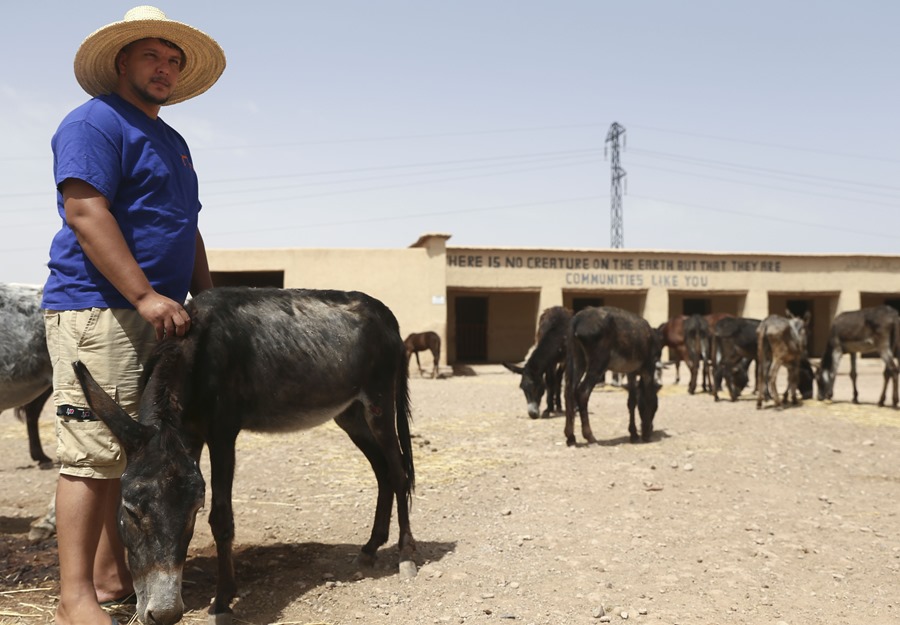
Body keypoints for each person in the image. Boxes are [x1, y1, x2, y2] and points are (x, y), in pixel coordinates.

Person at [41, 7, 225, 625]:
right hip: (101, 310)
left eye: (173, 61)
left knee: (137, 453)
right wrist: (146, 296)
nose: (164, 69)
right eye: (152, 57)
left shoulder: (171, 141)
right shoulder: (93, 123)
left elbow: (186, 226)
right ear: (122, 62)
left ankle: (112, 574)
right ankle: (74, 599)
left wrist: (207, 297)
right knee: (93, 453)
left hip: (155, 315)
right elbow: (86, 213)